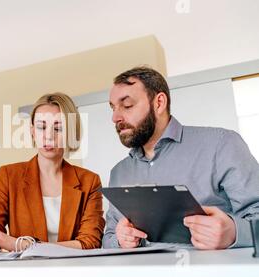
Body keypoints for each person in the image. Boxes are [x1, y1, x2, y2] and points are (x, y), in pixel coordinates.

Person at [103, 66, 259, 250]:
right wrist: (120, 240)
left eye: (127, 105)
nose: (115, 117)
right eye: (113, 108)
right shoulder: (119, 173)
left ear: (159, 103)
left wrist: (234, 232)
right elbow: (108, 238)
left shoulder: (221, 144)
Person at [0, 92, 105, 255]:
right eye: (41, 127)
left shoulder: (89, 181)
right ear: (32, 131)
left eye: (58, 128)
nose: (48, 136)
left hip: (72, 272)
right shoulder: (9, 175)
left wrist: (20, 244)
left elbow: (90, 242)